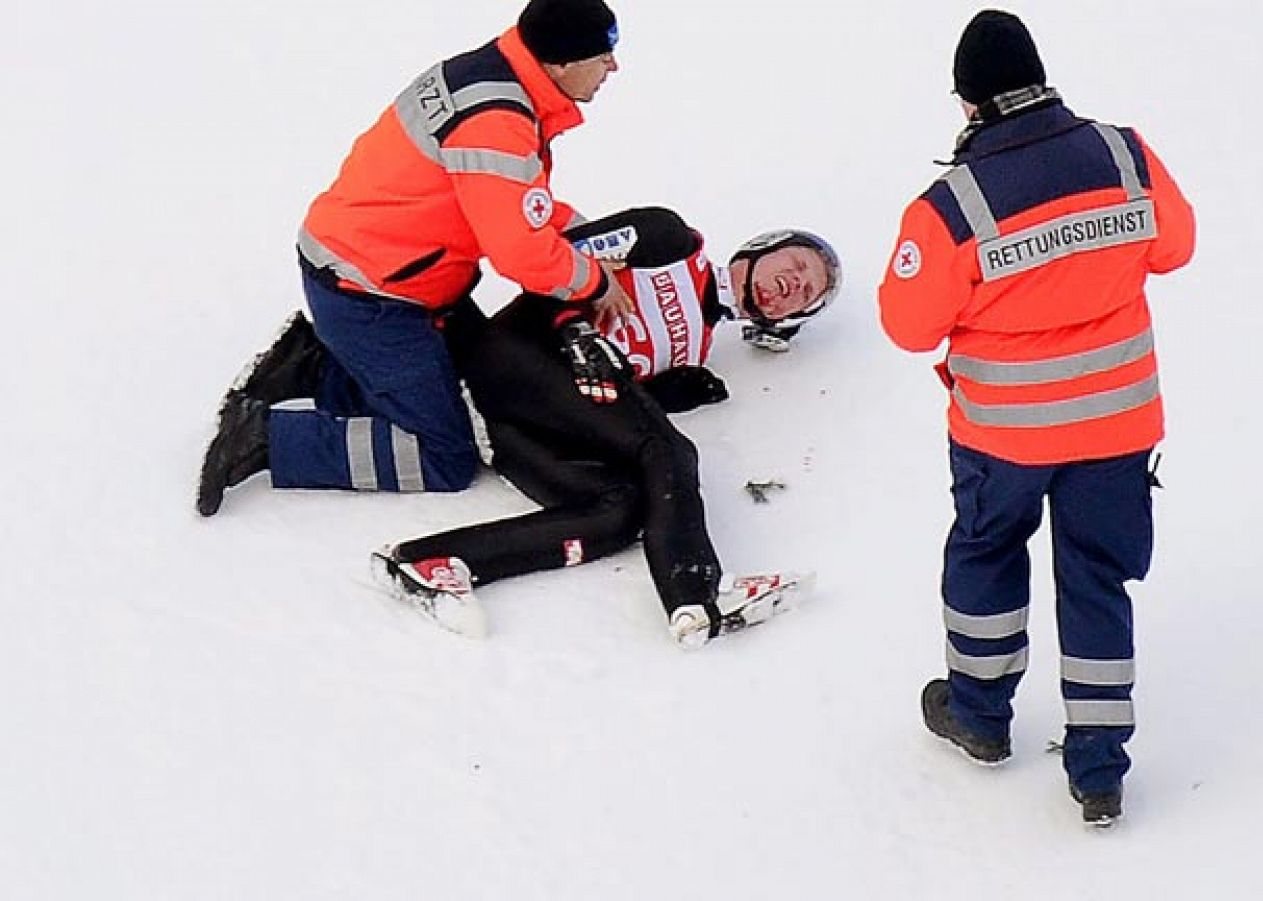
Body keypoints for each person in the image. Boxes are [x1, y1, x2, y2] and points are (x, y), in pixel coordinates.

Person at [877, 10, 1195, 827]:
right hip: (1118, 422)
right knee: (1096, 574)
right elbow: (1177, 245)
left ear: (968, 102)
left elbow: (909, 326)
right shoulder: (1124, 153)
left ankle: (980, 715)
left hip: (1005, 431)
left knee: (986, 550)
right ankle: (1098, 769)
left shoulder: (953, 204)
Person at [317, 206, 838, 646]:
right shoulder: (669, 239)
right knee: (670, 452)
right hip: (512, 354)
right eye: (795, 263)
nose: (793, 283)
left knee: (621, 509)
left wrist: (660, 393)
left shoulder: (696, 347)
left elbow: (601, 409)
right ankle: (698, 592)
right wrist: (573, 325)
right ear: (763, 248)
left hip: (512, 422)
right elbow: (556, 255)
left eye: (805, 294)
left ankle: (426, 562)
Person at [196, 0, 630, 517]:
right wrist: (593, 284)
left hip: (383, 273)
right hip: (370, 296)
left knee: (472, 386)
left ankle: (315, 366)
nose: (612, 67)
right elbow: (519, 250)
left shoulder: (495, 78)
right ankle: (268, 437)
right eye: (604, 54)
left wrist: (580, 233)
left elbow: (502, 198)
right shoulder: (494, 121)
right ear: (560, 62)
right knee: (444, 454)